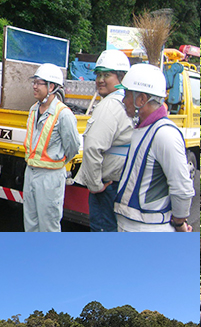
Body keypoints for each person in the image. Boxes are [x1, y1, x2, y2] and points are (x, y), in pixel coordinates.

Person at [113, 64, 195, 232]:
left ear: (141, 99)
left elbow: (182, 188)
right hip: (132, 224)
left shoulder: (165, 134)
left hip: (148, 228)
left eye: (127, 94)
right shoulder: (143, 128)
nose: (123, 100)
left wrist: (179, 224)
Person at [72, 50, 136, 232]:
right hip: (122, 184)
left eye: (106, 74)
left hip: (107, 189)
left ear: (122, 77)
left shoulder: (109, 105)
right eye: (98, 74)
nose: (100, 79)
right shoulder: (129, 103)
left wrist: (95, 185)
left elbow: (92, 148)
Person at [21, 63, 80, 232]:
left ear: (51, 86)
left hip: (50, 176)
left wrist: (56, 162)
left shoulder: (64, 114)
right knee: (30, 222)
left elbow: (73, 147)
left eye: (38, 83)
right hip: (31, 172)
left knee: (49, 225)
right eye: (34, 82)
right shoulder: (34, 109)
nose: (34, 86)